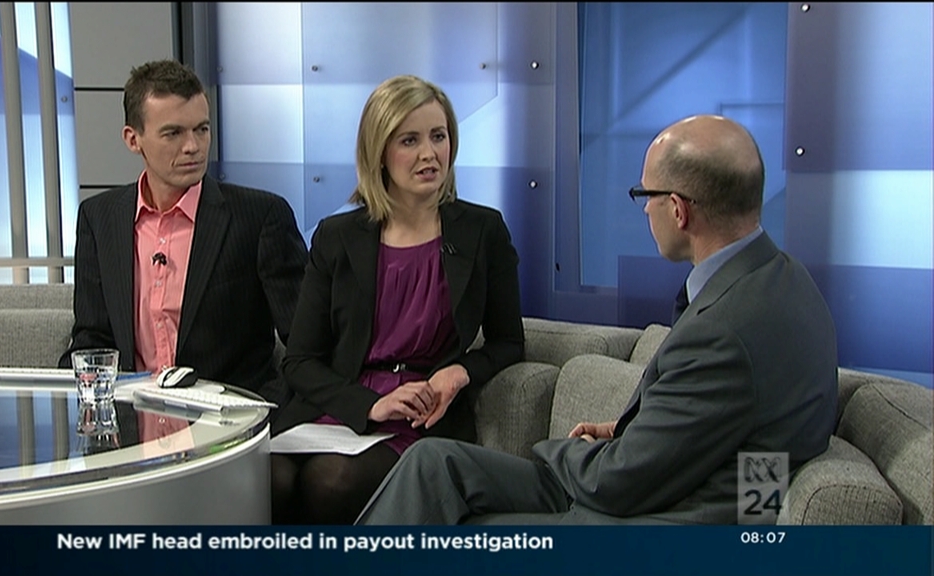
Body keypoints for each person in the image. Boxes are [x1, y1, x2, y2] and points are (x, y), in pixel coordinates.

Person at [356, 114, 839, 525]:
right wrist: (636, 431)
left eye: (645, 194)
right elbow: (717, 427)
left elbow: (620, 482)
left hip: (642, 524)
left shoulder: (724, 331)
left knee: (456, 522)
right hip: (660, 487)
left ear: (678, 210)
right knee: (433, 463)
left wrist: (562, 449)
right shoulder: (785, 279)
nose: (645, 210)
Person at [269, 75, 525, 524]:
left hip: (420, 417)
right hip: (340, 406)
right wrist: (369, 403)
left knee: (330, 482)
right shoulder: (337, 237)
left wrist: (460, 371)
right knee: (267, 479)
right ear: (379, 153)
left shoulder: (482, 231)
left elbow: (508, 342)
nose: (430, 154)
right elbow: (300, 360)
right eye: (410, 140)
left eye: (438, 136)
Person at [59, 59, 308, 404]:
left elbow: (307, 343)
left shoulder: (260, 217)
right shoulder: (99, 218)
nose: (193, 146)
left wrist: (265, 411)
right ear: (133, 139)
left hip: (230, 417)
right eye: (173, 133)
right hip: (132, 417)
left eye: (201, 129)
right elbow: (93, 338)